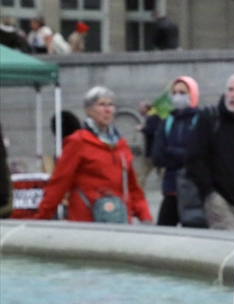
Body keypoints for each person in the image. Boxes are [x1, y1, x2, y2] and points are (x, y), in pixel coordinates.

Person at [34, 86, 153, 223]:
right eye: (101, 105)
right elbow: (59, 183)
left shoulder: (121, 145)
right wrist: (41, 217)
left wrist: (145, 215)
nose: (107, 110)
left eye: (110, 105)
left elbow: (132, 186)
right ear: (88, 110)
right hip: (87, 221)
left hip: (119, 219)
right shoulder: (78, 142)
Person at [186, 73, 234, 231]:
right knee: (228, 242)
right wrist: (209, 192)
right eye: (230, 90)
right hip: (219, 199)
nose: (233, 95)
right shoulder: (210, 118)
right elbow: (194, 157)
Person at [151, 76, 201, 227]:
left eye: (182, 92)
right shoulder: (167, 121)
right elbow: (158, 157)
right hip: (171, 188)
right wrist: (182, 155)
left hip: (193, 191)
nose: (177, 96)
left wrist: (172, 151)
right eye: (174, 92)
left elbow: (198, 155)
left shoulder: (200, 120)